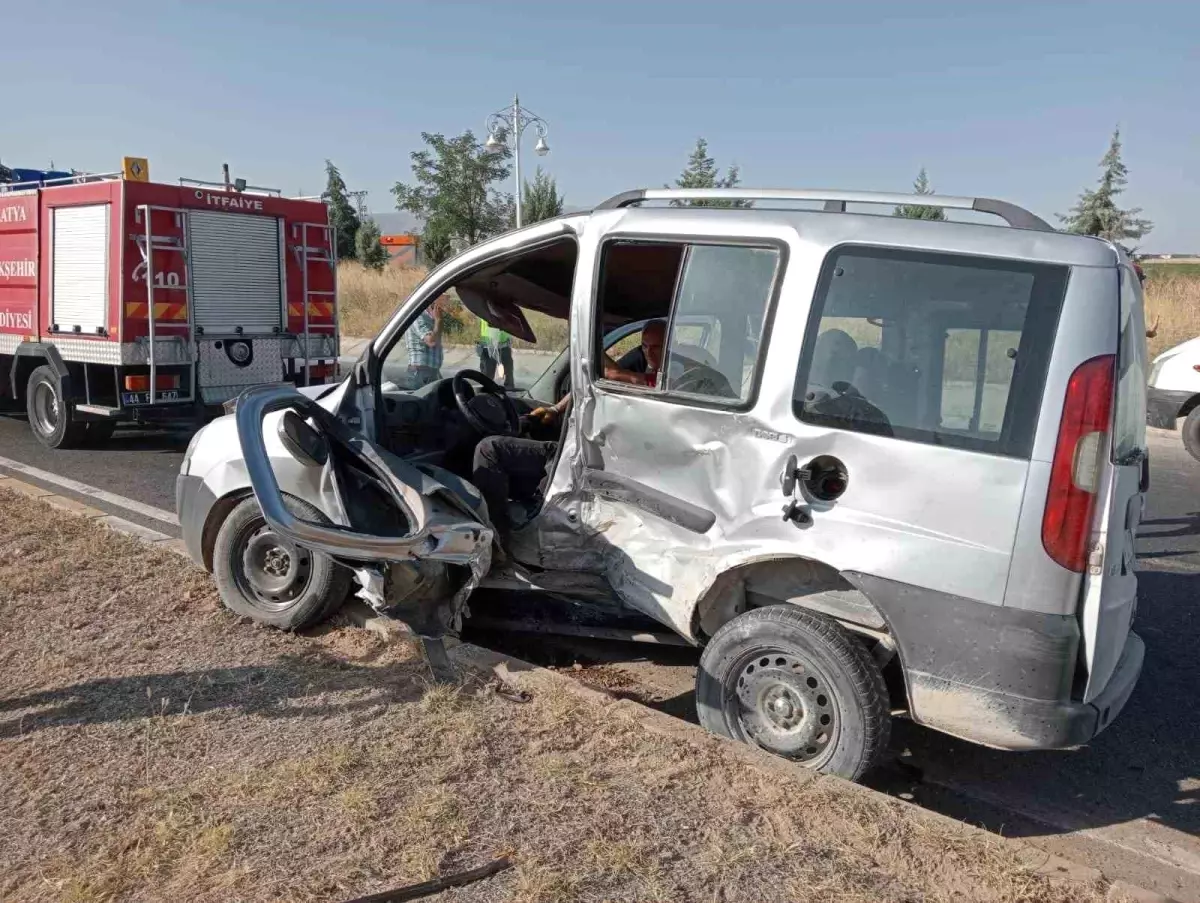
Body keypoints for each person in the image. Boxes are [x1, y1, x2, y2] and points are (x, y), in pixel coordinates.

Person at [404, 294, 448, 387]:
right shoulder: (417, 316)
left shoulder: (431, 317)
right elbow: (431, 341)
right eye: (442, 298)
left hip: (431, 371)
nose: (445, 302)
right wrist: (438, 320)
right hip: (420, 372)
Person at [478, 320, 515, 389]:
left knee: (508, 372)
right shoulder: (486, 310)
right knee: (487, 374)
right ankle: (486, 392)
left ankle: (509, 390)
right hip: (488, 344)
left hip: (503, 343)